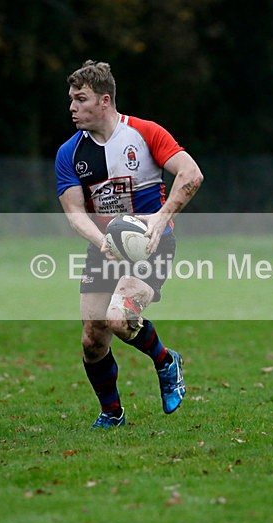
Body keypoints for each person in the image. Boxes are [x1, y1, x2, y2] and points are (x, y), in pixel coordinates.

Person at [55, 60, 203, 428]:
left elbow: (191, 174)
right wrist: (101, 240)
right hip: (104, 248)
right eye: (71, 99)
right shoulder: (69, 153)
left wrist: (160, 218)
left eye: (81, 99)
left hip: (151, 245)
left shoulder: (145, 133)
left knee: (120, 319)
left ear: (105, 101)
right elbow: (74, 213)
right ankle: (112, 413)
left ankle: (166, 361)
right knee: (92, 340)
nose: (72, 108)